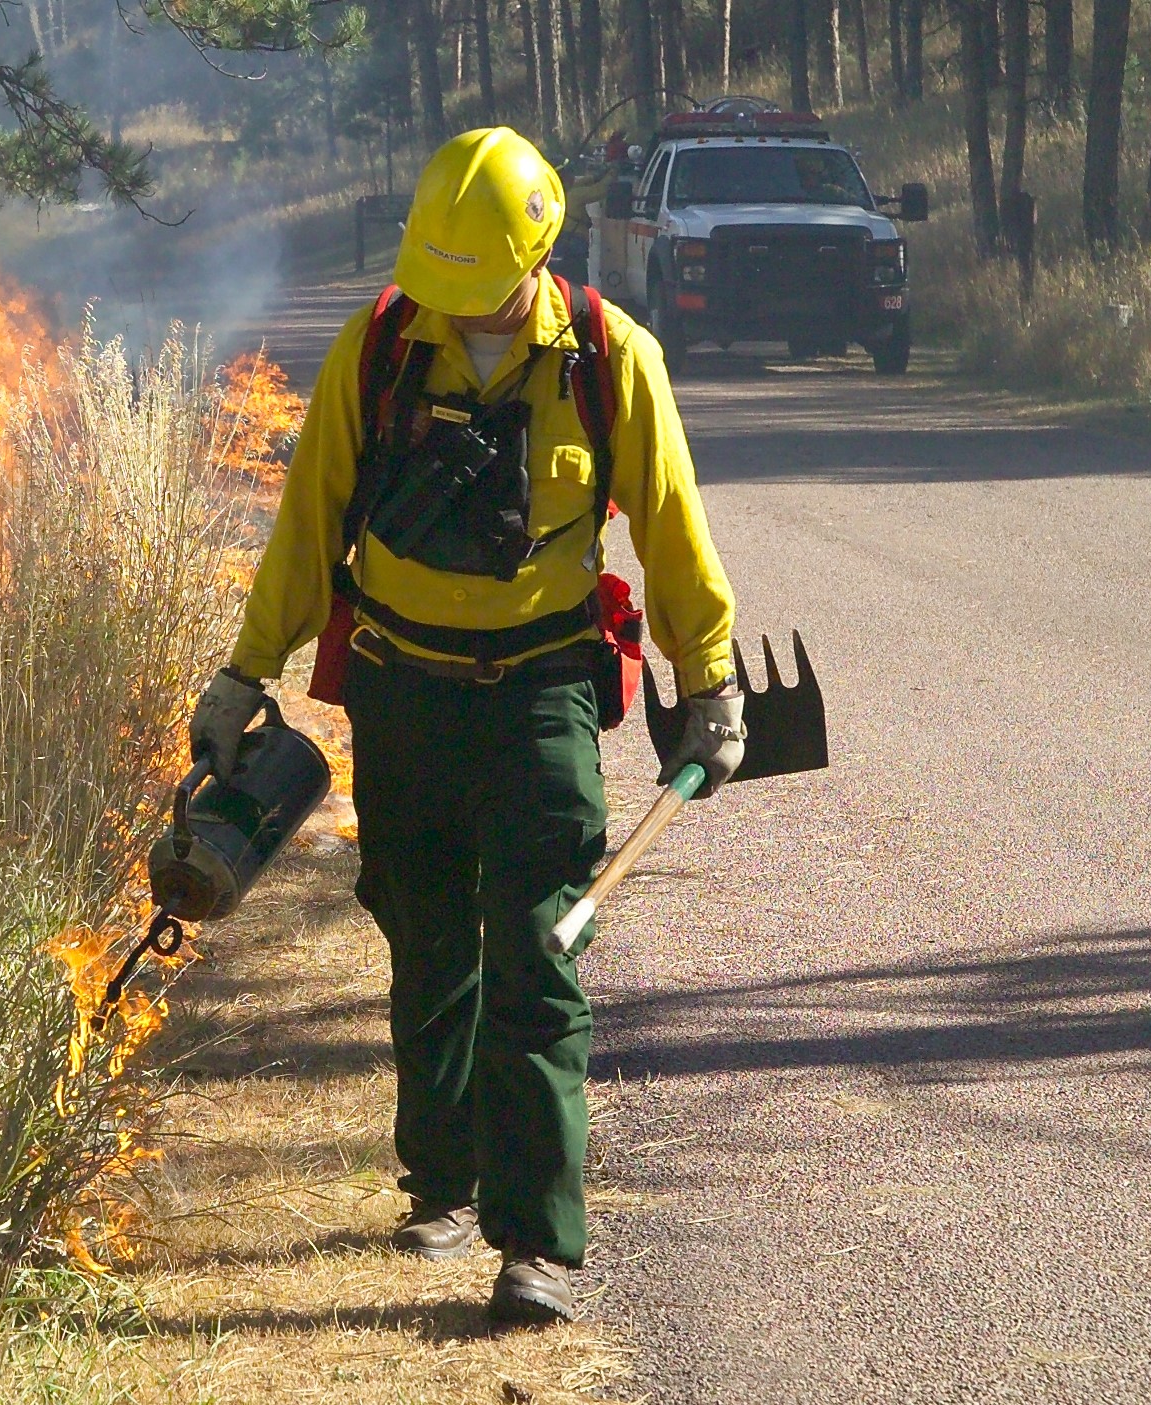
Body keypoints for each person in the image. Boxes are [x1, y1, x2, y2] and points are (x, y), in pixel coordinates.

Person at [188, 127, 745, 1327]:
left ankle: (536, 1242)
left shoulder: (607, 356)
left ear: (532, 252)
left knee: (541, 953)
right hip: (401, 690)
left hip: (540, 692)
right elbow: (306, 524)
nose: (453, 304)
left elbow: (670, 526)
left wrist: (709, 683)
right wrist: (245, 672)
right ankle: (439, 1184)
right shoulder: (382, 346)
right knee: (426, 939)